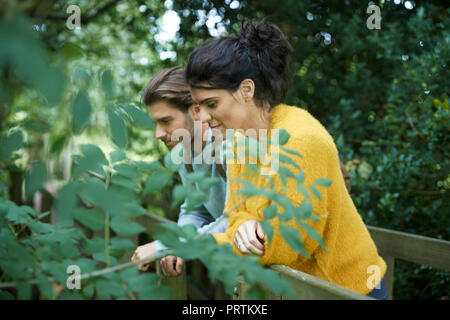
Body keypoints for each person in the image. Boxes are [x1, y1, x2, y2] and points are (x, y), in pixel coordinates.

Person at [185, 18, 387, 299]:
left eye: (211, 104)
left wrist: (187, 247)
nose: (203, 117)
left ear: (246, 90)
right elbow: (236, 214)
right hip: (296, 289)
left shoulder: (303, 139)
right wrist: (243, 225)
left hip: (346, 288)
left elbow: (288, 241)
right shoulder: (238, 142)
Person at [131, 66, 228, 277]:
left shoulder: (230, 144)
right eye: (156, 123)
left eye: (166, 121)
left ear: (196, 111)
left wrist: (164, 246)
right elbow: (196, 210)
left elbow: (237, 221)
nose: (157, 134)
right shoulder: (185, 153)